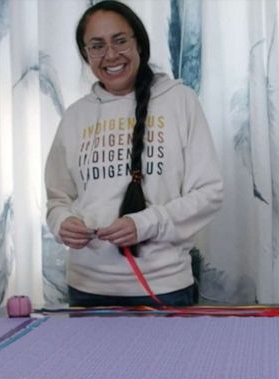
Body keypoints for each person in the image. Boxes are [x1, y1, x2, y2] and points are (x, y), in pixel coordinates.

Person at [45, 0, 223, 307]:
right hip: (86, 290)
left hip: (164, 289)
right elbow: (57, 198)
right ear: (86, 55)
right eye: (97, 46)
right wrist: (61, 221)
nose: (111, 55)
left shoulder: (179, 101)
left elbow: (209, 192)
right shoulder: (75, 116)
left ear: (138, 42)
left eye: (120, 40)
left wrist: (145, 223)